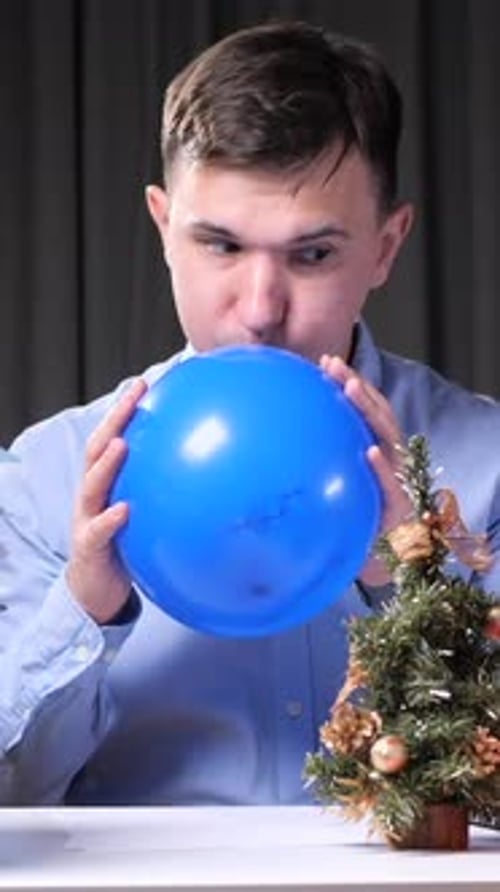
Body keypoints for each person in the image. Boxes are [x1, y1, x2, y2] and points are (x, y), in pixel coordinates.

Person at [1, 20, 499, 807]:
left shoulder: (487, 467)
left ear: (387, 246)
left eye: (313, 255)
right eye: (222, 246)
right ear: (165, 229)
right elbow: (14, 795)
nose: (261, 310)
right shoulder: (43, 479)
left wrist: (408, 581)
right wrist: (86, 610)